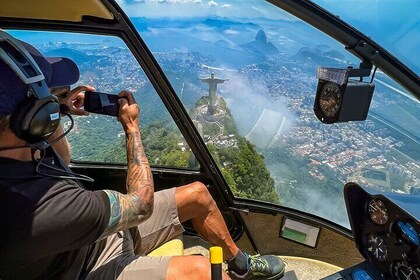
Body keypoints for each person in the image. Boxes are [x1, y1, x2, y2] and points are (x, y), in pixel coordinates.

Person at [0, 32, 286, 280]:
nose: (54, 98)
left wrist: (58, 112)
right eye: (47, 95)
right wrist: (132, 128)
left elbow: (65, 162)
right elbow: (141, 205)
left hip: (87, 238)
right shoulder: (31, 208)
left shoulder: (15, 151)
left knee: (198, 194)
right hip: (83, 269)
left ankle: (240, 264)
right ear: (30, 118)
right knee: (202, 271)